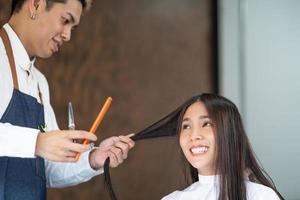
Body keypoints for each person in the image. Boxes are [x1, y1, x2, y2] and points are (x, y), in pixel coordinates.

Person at [0, 0, 134, 199]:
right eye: (65, 20)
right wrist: (37, 142)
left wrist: (93, 159)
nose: (68, 35)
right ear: (35, 5)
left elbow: (47, 169)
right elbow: (38, 146)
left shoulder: (39, 83)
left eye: (73, 27)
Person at [161, 93, 283, 200]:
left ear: (230, 132)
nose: (194, 136)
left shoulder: (261, 196)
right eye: (186, 126)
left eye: (206, 124)